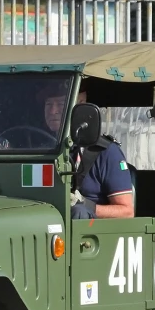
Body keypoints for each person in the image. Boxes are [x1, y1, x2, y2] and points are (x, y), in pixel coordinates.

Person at [39, 81, 134, 219]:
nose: (53, 111)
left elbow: (127, 212)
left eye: (60, 104)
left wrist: (85, 204)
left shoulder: (105, 152)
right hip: (45, 221)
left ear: (81, 107)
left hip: (89, 232)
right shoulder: (39, 149)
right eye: (48, 105)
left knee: (79, 212)